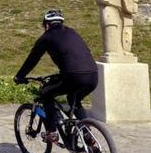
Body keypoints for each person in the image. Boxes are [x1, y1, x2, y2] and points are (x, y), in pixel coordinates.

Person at [14, 10, 98, 143]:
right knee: (73, 100)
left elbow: (32, 59)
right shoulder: (72, 32)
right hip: (93, 75)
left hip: (73, 76)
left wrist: (19, 76)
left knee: (46, 93)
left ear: (47, 25)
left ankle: (51, 132)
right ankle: (87, 133)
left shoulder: (46, 37)